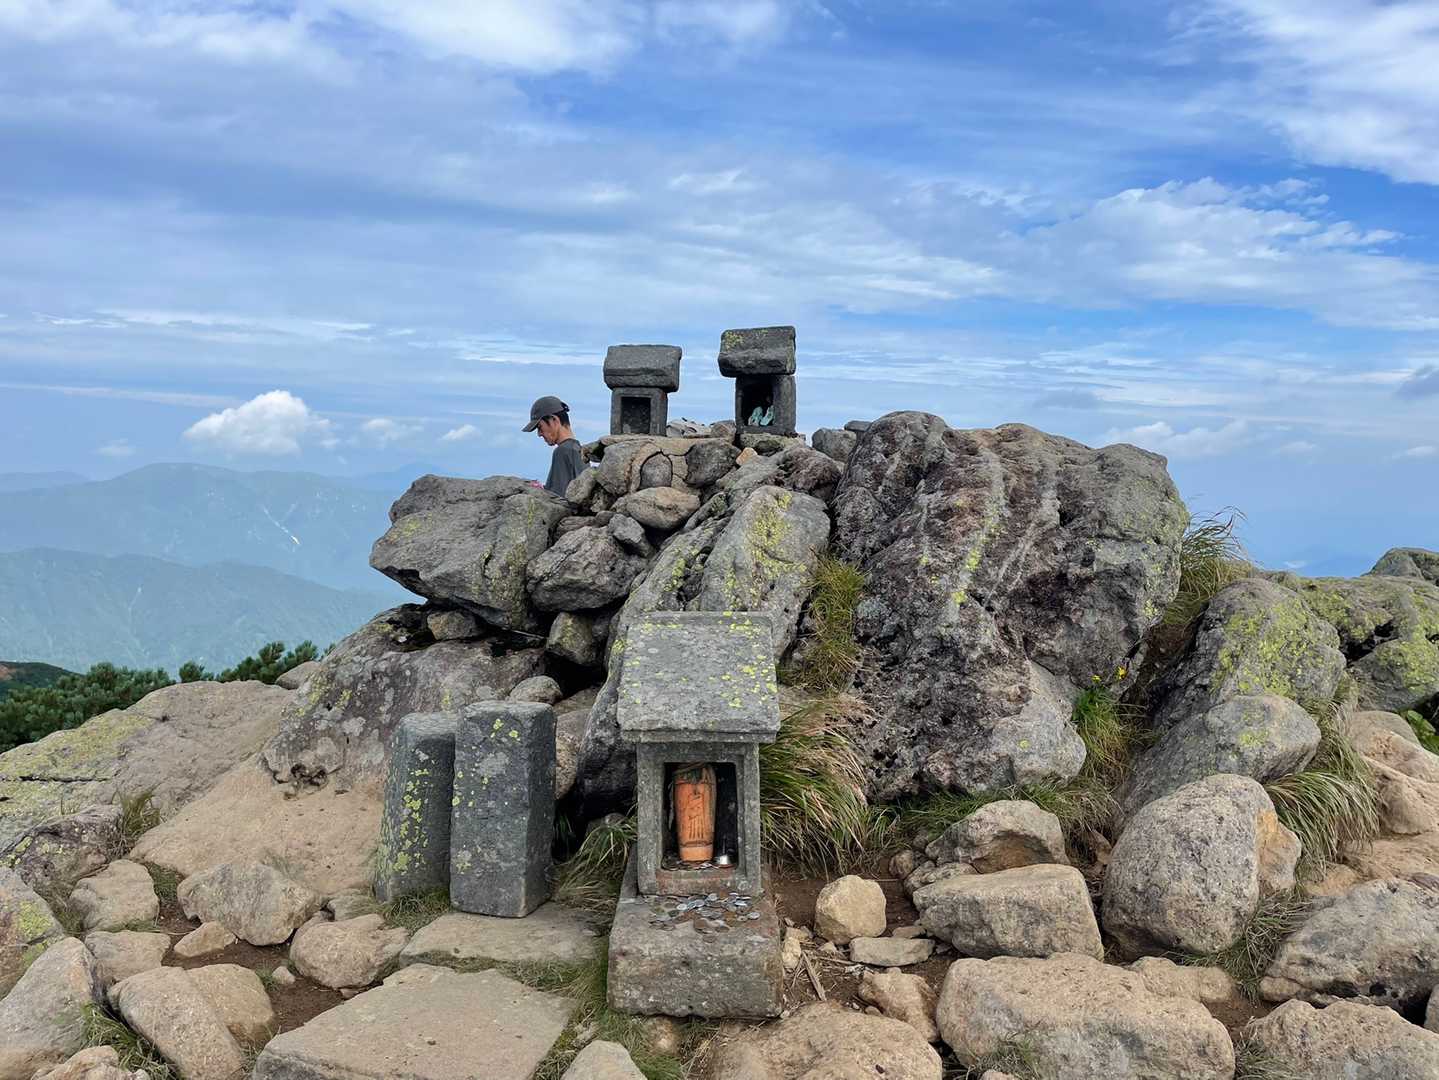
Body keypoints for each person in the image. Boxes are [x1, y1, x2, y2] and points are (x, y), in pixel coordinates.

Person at [523, 395, 585, 496]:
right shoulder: (579, 450)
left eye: (540, 427)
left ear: (554, 420)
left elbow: (557, 496)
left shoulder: (562, 451)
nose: (539, 434)